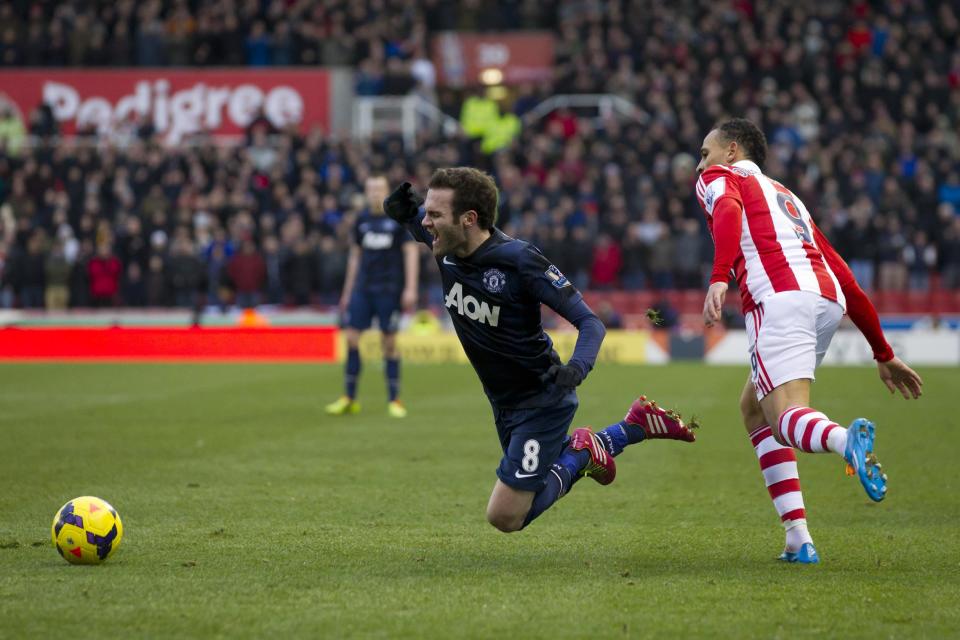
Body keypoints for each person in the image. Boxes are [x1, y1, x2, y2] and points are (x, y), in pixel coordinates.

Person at [383, 167, 696, 533]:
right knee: (535, 478)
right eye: (426, 212)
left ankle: (582, 452)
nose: (426, 222)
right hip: (503, 402)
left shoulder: (519, 260)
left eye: (434, 214)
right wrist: (404, 214)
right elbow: (422, 228)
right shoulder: (447, 246)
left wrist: (577, 369)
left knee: (506, 516)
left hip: (541, 400)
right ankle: (629, 429)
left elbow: (590, 323)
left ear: (469, 219)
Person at [695, 118, 923, 563]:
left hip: (777, 299)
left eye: (706, 152)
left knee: (785, 418)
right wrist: (883, 351)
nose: (700, 161)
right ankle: (798, 538)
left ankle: (844, 442)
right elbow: (846, 277)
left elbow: (725, 210)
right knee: (754, 408)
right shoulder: (788, 198)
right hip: (825, 301)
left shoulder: (718, 177)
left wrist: (720, 277)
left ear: (731, 151)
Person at [326, 175, 420, 418]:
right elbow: (355, 257)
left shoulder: (398, 220)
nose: (375, 193)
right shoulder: (360, 220)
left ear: (387, 192)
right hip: (363, 289)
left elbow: (410, 253)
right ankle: (349, 397)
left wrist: (410, 288)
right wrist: (347, 292)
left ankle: (394, 399)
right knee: (352, 338)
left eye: (379, 189)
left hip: (389, 289)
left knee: (388, 342)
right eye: (371, 189)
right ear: (366, 193)